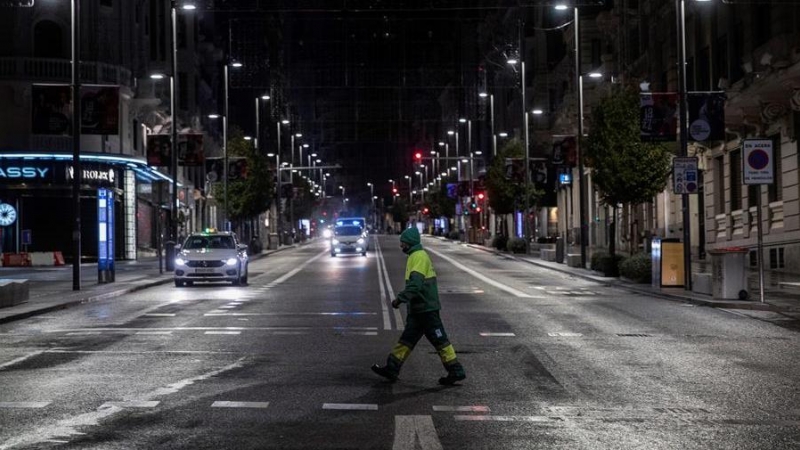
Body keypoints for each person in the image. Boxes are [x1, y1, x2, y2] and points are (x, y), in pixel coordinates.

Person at [371, 227, 466, 385]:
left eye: (403, 243)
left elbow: (415, 285)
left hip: (426, 309)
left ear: (409, 242)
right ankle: (392, 368)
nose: (401, 246)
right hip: (419, 309)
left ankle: (456, 370)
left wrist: (399, 299)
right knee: (407, 340)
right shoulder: (414, 256)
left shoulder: (418, 257)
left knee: (440, 341)